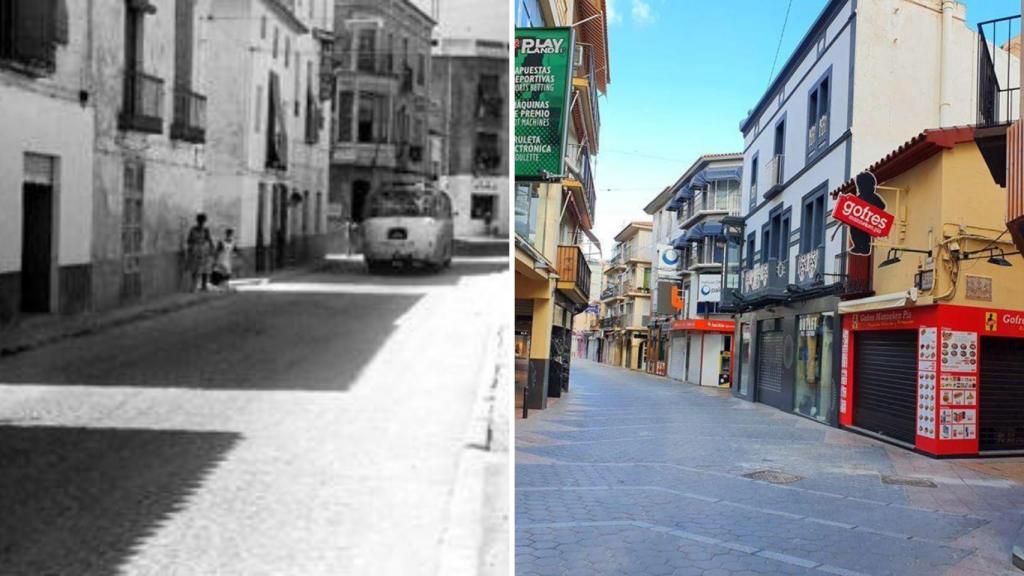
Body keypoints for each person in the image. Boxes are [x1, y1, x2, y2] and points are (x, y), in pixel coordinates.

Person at [186, 213, 215, 292]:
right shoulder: (193, 229)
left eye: (203, 221)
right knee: (195, 269)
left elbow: (209, 239)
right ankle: (194, 286)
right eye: (200, 221)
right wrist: (193, 245)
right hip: (195, 251)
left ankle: (203, 286)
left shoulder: (206, 230)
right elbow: (188, 240)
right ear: (197, 221)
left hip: (204, 251)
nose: (201, 223)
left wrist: (212, 248)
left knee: (205, 269)